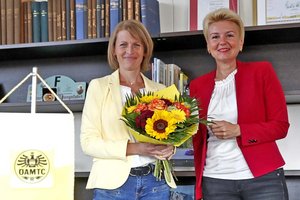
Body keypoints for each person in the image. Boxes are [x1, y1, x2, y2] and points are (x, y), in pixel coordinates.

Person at [189, 8, 290, 200]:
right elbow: (198, 137)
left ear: (241, 42)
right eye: (215, 37)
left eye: (230, 35)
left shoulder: (262, 72)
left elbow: (280, 126)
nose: (222, 42)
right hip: (215, 179)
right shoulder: (197, 86)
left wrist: (239, 130)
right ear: (208, 45)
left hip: (263, 178)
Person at [80, 19, 175, 200]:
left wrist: (169, 148)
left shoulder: (160, 90)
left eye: (136, 45)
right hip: (112, 186)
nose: (130, 51)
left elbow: (171, 136)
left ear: (145, 50)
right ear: (114, 50)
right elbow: (88, 142)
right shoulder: (98, 87)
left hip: (155, 182)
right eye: (123, 45)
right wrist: (137, 148)